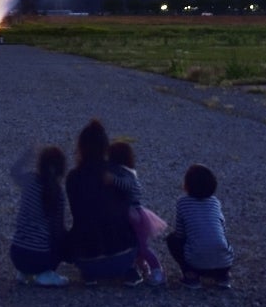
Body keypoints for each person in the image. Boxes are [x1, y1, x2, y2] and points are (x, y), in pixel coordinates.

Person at [65, 119, 139, 286]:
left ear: (81, 147)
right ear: (106, 147)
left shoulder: (73, 177)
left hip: (88, 261)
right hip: (124, 257)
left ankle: (90, 276)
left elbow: (77, 213)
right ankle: (130, 271)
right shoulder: (118, 172)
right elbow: (131, 202)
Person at [108, 140, 167, 286]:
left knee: (141, 246)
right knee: (133, 244)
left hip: (136, 214)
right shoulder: (125, 171)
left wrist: (112, 179)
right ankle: (143, 267)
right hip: (128, 213)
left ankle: (157, 270)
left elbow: (126, 185)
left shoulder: (128, 173)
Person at [9, 145, 70, 286]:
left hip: (17, 254)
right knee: (61, 238)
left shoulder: (30, 180)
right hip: (40, 257)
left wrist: (27, 154)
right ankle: (45, 273)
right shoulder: (58, 193)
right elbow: (58, 230)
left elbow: (14, 171)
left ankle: (24, 273)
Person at [166, 164, 234, 290]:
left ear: (187, 185)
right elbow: (223, 229)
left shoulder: (183, 202)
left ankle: (190, 275)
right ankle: (223, 277)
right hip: (225, 263)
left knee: (172, 239)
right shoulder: (215, 202)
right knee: (220, 238)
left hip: (197, 265)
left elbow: (180, 233)